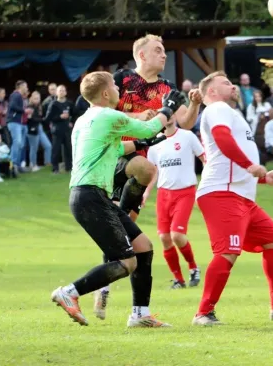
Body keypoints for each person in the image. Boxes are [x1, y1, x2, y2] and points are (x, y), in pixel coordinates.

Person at [50, 71, 185, 328]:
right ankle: (70, 292)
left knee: (143, 246)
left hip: (88, 195)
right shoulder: (108, 115)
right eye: (114, 85)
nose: (118, 90)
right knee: (127, 262)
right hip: (91, 197)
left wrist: (146, 141)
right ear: (104, 93)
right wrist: (167, 110)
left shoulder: (84, 120)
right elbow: (147, 126)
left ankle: (140, 314)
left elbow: (115, 149)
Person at [191, 71, 273, 326]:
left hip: (240, 195)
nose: (232, 84)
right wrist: (249, 166)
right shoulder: (217, 108)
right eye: (225, 82)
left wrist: (262, 177)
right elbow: (223, 141)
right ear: (211, 92)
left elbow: (229, 161)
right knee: (227, 252)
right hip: (221, 194)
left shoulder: (231, 112)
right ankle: (203, 313)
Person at [93, 34, 202, 316]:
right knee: (142, 175)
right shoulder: (123, 80)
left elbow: (186, 123)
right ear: (141, 56)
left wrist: (195, 104)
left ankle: (105, 289)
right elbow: (98, 109)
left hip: (140, 164)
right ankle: (113, 296)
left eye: (165, 51)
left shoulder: (167, 87)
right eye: (158, 50)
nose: (164, 55)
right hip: (114, 156)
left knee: (123, 232)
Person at [143, 115, 205, 290]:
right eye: (164, 113)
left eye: (171, 112)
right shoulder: (155, 143)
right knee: (164, 237)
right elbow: (153, 171)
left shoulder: (187, 136)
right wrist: (146, 192)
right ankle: (178, 279)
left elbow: (204, 158)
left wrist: (207, 181)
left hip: (185, 191)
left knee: (177, 235)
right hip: (164, 194)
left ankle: (193, 268)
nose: (168, 116)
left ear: (176, 116)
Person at [45, 85, 72, 173]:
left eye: (63, 90)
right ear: (57, 92)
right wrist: (59, 117)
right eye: (60, 90)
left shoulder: (69, 103)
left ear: (66, 92)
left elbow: (75, 113)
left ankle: (69, 167)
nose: (62, 92)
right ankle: (55, 168)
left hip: (67, 129)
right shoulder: (53, 104)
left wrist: (72, 121)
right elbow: (48, 118)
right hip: (57, 129)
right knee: (56, 150)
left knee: (68, 149)